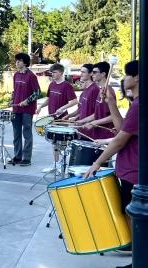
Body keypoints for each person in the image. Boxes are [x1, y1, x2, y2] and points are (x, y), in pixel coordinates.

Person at [84, 60, 139, 265]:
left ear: (137, 78)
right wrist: (111, 103)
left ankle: (139, 260)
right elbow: (122, 128)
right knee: (130, 214)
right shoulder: (136, 103)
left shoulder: (139, 104)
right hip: (130, 169)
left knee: (134, 217)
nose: (122, 80)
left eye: (126, 75)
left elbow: (119, 140)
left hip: (134, 170)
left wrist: (97, 163)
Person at [9, 53, 41, 166]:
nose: (17, 62)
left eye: (19, 61)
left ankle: (27, 158)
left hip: (27, 110)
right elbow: (15, 91)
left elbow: (37, 93)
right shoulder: (16, 75)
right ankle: (17, 156)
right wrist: (12, 100)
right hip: (16, 109)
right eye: (16, 60)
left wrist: (26, 101)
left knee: (27, 134)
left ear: (25, 63)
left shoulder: (31, 76)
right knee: (16, 133)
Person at [79, 61, 117, 140]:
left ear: (103, 74)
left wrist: (94, 123)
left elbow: (113, 116)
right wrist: (82, 121)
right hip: (97, 134)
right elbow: (97, 114)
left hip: (105, 135)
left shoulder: (108, 91)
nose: (92, 74)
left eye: (95, 72)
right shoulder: (100, 90)